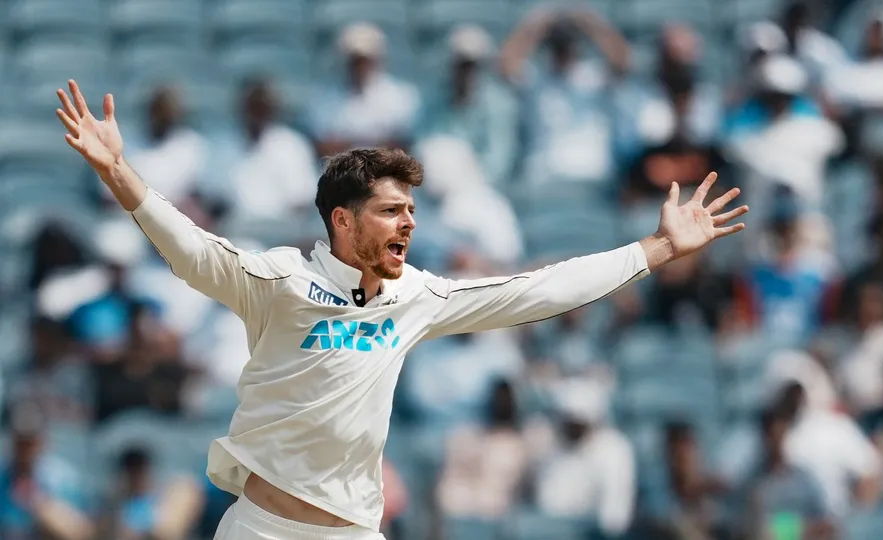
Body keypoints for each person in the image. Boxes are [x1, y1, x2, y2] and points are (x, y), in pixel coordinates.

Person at [53, 79, 748, 540]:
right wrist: (117, 169)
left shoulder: (418, 295)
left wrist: (656, 248)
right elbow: (188, 246)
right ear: (342, 223)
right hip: (261, 528)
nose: (407, 226)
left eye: (411, 211)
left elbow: (539, 289)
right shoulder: (277, 280)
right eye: (390, 212)